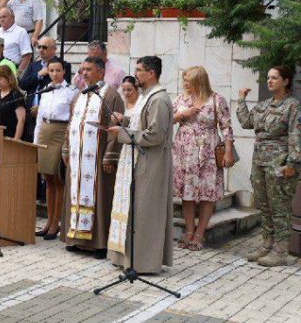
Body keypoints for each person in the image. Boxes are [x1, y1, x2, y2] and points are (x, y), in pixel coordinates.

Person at [107, 55, 173, 274]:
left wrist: (124, 134)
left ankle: (144, 262)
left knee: (145, 211)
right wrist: (124, 121)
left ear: (151, 73)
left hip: (150, 163)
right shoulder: (146, 96)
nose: (135, 74)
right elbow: (141, 124)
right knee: (133, 210)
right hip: (138, 159)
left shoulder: (159, 99)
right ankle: (128, 259)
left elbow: (156, 135)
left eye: (139, 70)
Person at [237, 65, 301, 267]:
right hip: (260, 162)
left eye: (274, 78)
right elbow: (247, 122)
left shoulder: (292, 106)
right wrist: (241, 100)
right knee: (264, 205)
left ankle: (280, 251)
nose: (269, 81)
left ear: (285, 81)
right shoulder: (264, 105)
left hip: (279, 163)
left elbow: (296, 135)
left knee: (279, 207)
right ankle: (267, 245)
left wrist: (292, 163)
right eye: (268, 78)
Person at [61, 56, 123, 255]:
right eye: (82, 69)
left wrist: (109, 156)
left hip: (97, 159)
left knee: (99, 197)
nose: (84, 73)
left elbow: (115, 128)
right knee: (74, 195)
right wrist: (65, 148)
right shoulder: (80, 95)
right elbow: (70, 125)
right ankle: (75, 238)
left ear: (101, 72)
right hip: (77, 158)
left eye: (88, 69)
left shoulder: (111, 95)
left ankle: (99, 243)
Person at [172, 66, 234, 251]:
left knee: (207, 194)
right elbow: (168, 119)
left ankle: (200, 232)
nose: (185, 84)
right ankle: (189, 230)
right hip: (185, 152)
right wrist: (184, 113)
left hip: (207, 152)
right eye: (184, 81)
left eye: (188, 81)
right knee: (187, 194)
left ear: (199, 81)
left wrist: (228, 151)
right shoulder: (181, 99)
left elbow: (226, 127)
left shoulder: (216, 99)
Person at [30, 58, 78, 241]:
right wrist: (36, 141)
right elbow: (40, 117)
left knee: (57, 177)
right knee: (47, 178)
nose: (55, 74)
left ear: (64, 71)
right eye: (51, 70)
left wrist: (67, 141)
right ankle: (48, 221)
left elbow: (71, 117)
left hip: (60, 132)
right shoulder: (46, 91)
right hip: (45, 131)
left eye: (58, 70)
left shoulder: (70, 92)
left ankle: (56, 222)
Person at [20, 36, 72, 140]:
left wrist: (41, 107)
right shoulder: (34, 66)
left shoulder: (63, 66)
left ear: (54, 49)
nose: (41, 50)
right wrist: (39, 74)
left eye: (44, 47)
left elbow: (60, 89)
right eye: (39, 47)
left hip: (48, 115)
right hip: (30, 113)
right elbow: (22, 84)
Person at [0, 7, 31, 74]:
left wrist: (18, 72)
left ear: (13, 17)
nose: (2, 20)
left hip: (11, 70)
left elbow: (27, 55)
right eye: (0, 17)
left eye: (4, 17)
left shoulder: (21, 32)